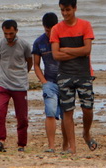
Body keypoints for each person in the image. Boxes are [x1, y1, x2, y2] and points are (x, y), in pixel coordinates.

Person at [50, 0, 97, 154]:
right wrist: (78, 52)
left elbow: (87, 49)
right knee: (67, 111)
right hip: (64, 74)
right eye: (62, 10)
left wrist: (67, 50)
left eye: (68, 10)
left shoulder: (85, 25)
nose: (65, 13)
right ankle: (72, 147)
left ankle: (86, 133)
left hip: (83, 74)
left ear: (75, 8)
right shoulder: (56, 29)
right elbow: (56, 55)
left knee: (88, 108)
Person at [0, 19, 33, 153]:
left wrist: (21, 74)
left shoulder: (25, 45)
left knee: (22, 117)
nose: (8, 37)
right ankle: (1, 141)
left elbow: (29, 62)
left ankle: (21, 144)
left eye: (11, 33)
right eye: (6, 34)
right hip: (3, 84)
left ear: (16, 31)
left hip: (20, 85)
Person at [33, 12, 66, 153]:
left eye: (52, 30)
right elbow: (36, 65)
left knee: (66, 115)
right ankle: (51, 146)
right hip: (50, 82)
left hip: (65, 81)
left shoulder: (64, 39)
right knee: (50, 112)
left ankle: (66, 146)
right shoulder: (39, 42)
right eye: (47, 30)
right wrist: (44, 81)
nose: (50, 33)